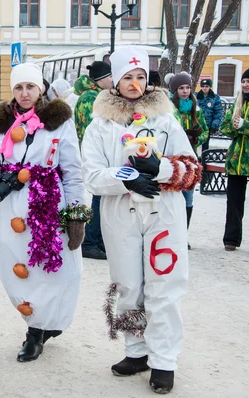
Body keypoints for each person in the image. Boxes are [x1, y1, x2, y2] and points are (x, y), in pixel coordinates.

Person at [81, 47, 201, 394]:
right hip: (121, 214)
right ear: (115, 82)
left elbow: (192, 171)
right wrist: (126, 178)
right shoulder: (100, 125)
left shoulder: (166, 119)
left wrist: (161, 169)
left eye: (141, 77)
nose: (135, 84)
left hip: (164, 213)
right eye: (128, 78)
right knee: (129, 286)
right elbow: (92, 175)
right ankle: (136, 351)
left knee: (164, 288)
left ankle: (163, 360)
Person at [0, 62, 88, 362]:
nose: (24, 93)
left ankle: (38, 330)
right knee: (15, 269)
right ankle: (36, 323)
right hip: (10, 206)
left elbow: (72, 170)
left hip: (47, 202)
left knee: (55, 267)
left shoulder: (59, 120)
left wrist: (76, 215)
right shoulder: (1, 122)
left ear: (40, 88)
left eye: (30, 86)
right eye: (18, 87)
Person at [74, 61, 113, 260]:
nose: (113, 80)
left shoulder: (95, 96)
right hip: (96, 154)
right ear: (100, 79)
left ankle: (97, 240)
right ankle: (90, 241)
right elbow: (95, 128)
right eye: (109, 76)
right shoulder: (91, 98)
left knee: (102, 197)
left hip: (98, 153)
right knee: (99, 196)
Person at [169, 72, 208, 249]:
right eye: (181, 88)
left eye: (187, 88)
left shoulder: (196, 110)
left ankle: (183, 236)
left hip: (191, 160)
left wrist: (196, 139)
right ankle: (171, 235)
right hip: (173, 159)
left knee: (188, 199)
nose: (185, 91)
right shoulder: (170, 110)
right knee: (172, 197)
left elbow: (205, 131)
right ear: (175, 90)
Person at [220, 68, 249, 252]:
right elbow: (224, 127)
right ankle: (231, 239)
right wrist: (233, 126)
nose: (245, 85)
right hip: (237, 160)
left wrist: (246, 126)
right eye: (244, 81)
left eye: (248, 81)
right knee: (234, 203)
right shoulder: (237, 103)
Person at [196, 78, 223, 151]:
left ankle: (204, 159)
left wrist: (215, 124)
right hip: (196, 124)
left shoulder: (215, 98)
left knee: (205, 144)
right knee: (194, 143)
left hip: (208, 125)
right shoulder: (196, 96)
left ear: (210, 87)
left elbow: (218, 112)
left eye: (206, 86)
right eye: (203, 86)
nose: (204, 88)